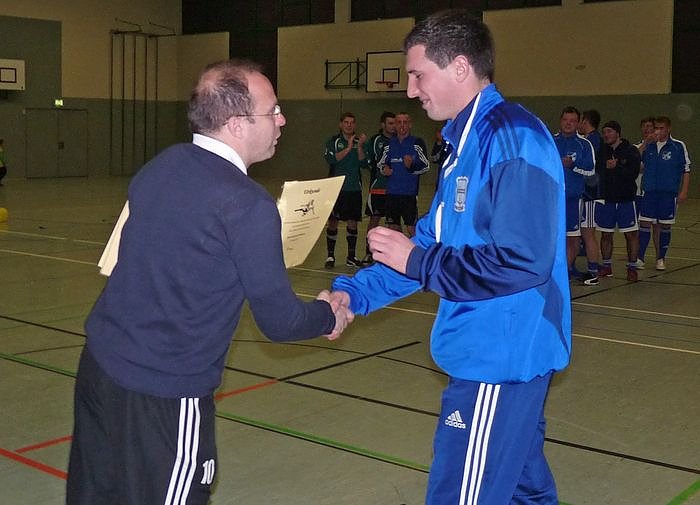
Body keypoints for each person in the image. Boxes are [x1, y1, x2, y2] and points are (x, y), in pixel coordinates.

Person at [66, 59, 353, 505]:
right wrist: (326, 315)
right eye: (273, 111)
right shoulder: (247, 204)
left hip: (99, 369)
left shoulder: (162, 165)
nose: (282, 120)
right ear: (237, 124)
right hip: (164, 393)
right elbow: (279, 322)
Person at [330, 10, 571, 504]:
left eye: (418, 75)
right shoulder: (464, 143)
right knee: (524, 492)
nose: (410, 91)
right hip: (492, 351)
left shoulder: (511, 136)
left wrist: (418, 262)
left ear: (459, 67)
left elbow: (523, 261)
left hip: (498, 358)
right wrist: (352, 295)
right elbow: (427, 243)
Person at [637, 115, 691, 270]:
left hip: (668, 193)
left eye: (661, 128)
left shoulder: (678, 146)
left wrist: (684, 191)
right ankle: (640, 257)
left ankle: (661, 258)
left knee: (664, 226)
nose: (658, 131)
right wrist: (645, 143)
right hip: (649, 192)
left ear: (668, 129)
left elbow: (686, 169)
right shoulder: (649, 145)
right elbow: (635, 161)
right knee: (645, 223)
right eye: (656, 128)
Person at [553, 106, 598, 285]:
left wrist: (572, 166)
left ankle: (562, 274)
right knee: (553, 238)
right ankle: (555, 271)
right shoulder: (550, 142)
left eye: (572, 121)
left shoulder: (584, 145)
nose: (568, 123)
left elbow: (591, 171)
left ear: (578, 123)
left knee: (572, 237)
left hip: (573, 198)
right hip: (552, 200)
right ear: (560, 120)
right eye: (565, 120)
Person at [595, 120, 642, 282]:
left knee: (631, 235)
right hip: (607, 199)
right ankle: (606, 266)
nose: (606, 135)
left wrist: (618, 167)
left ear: (617, 133)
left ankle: (632, 268)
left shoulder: (631, 151)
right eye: (604, 132)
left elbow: (634, 172)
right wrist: (606, 167)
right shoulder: (602, 151)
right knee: (605, 234)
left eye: (609, 131)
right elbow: (597, 172)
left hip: (626, 200)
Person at [323, 112, 368, 268]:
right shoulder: (333, 141)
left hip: (354, 188)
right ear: (340, 124)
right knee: (333, 221)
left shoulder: (359, 142)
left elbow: (364, 164)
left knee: (352, 222)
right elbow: (331, 159)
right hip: (336, 188)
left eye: (352, 122)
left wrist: (359, 147)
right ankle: (330, 256)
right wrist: (348, 148)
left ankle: (351, 256)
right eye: (346, 122)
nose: (349, 125)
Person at [377, 112, 429, 237]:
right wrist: (385, 169)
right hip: (392, 193)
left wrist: (411, 166)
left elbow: (426, 166)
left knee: (412, 229)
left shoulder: (417, 143)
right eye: (399, 122)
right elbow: (380, 164)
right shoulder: (388, 144)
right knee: (393, 229)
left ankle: (415, 250)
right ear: (395, 125)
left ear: (410, 125)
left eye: (405, 122)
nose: (402, 125)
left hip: (409, 194)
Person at [362, 111, 396, 264]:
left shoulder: (399, 140)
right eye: (390, 123)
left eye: (394, 123)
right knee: (374, 220)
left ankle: (390, 256)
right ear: (383, 125)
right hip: (378, 187)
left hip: (394, 189)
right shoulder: (376, 140)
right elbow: (369, 162)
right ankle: (368, 252)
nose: (393, 126)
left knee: (393, 222)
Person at [576, 109, 602, 274]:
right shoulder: (588, 140)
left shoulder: (591, 141)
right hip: (582, 193)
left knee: (588, 233)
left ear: (584, 122)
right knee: (578, 233)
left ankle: (593, 270)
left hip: (590, 194)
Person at [430, 126, 452, 191]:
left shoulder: (451, 144)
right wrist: (439, 144)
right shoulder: (440, 145)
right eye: (439, 132)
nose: (440, 134)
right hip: (441, 178)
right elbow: (434, 159)